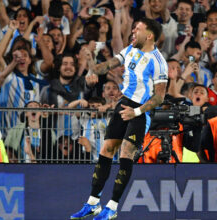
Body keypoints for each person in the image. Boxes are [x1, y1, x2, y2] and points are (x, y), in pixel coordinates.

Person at [71, 18, 168, 219]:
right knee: (106, 151)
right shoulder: (130, 49)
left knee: (125, 154)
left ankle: (112, 207)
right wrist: (90, 62)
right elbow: (103, 67)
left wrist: (137, 112)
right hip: (122, 104)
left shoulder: (159, 62)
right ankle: (93, 202)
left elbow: (159, 97)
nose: (133, 31)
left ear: (149, 35)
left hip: (140, 112)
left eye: (138, 28)